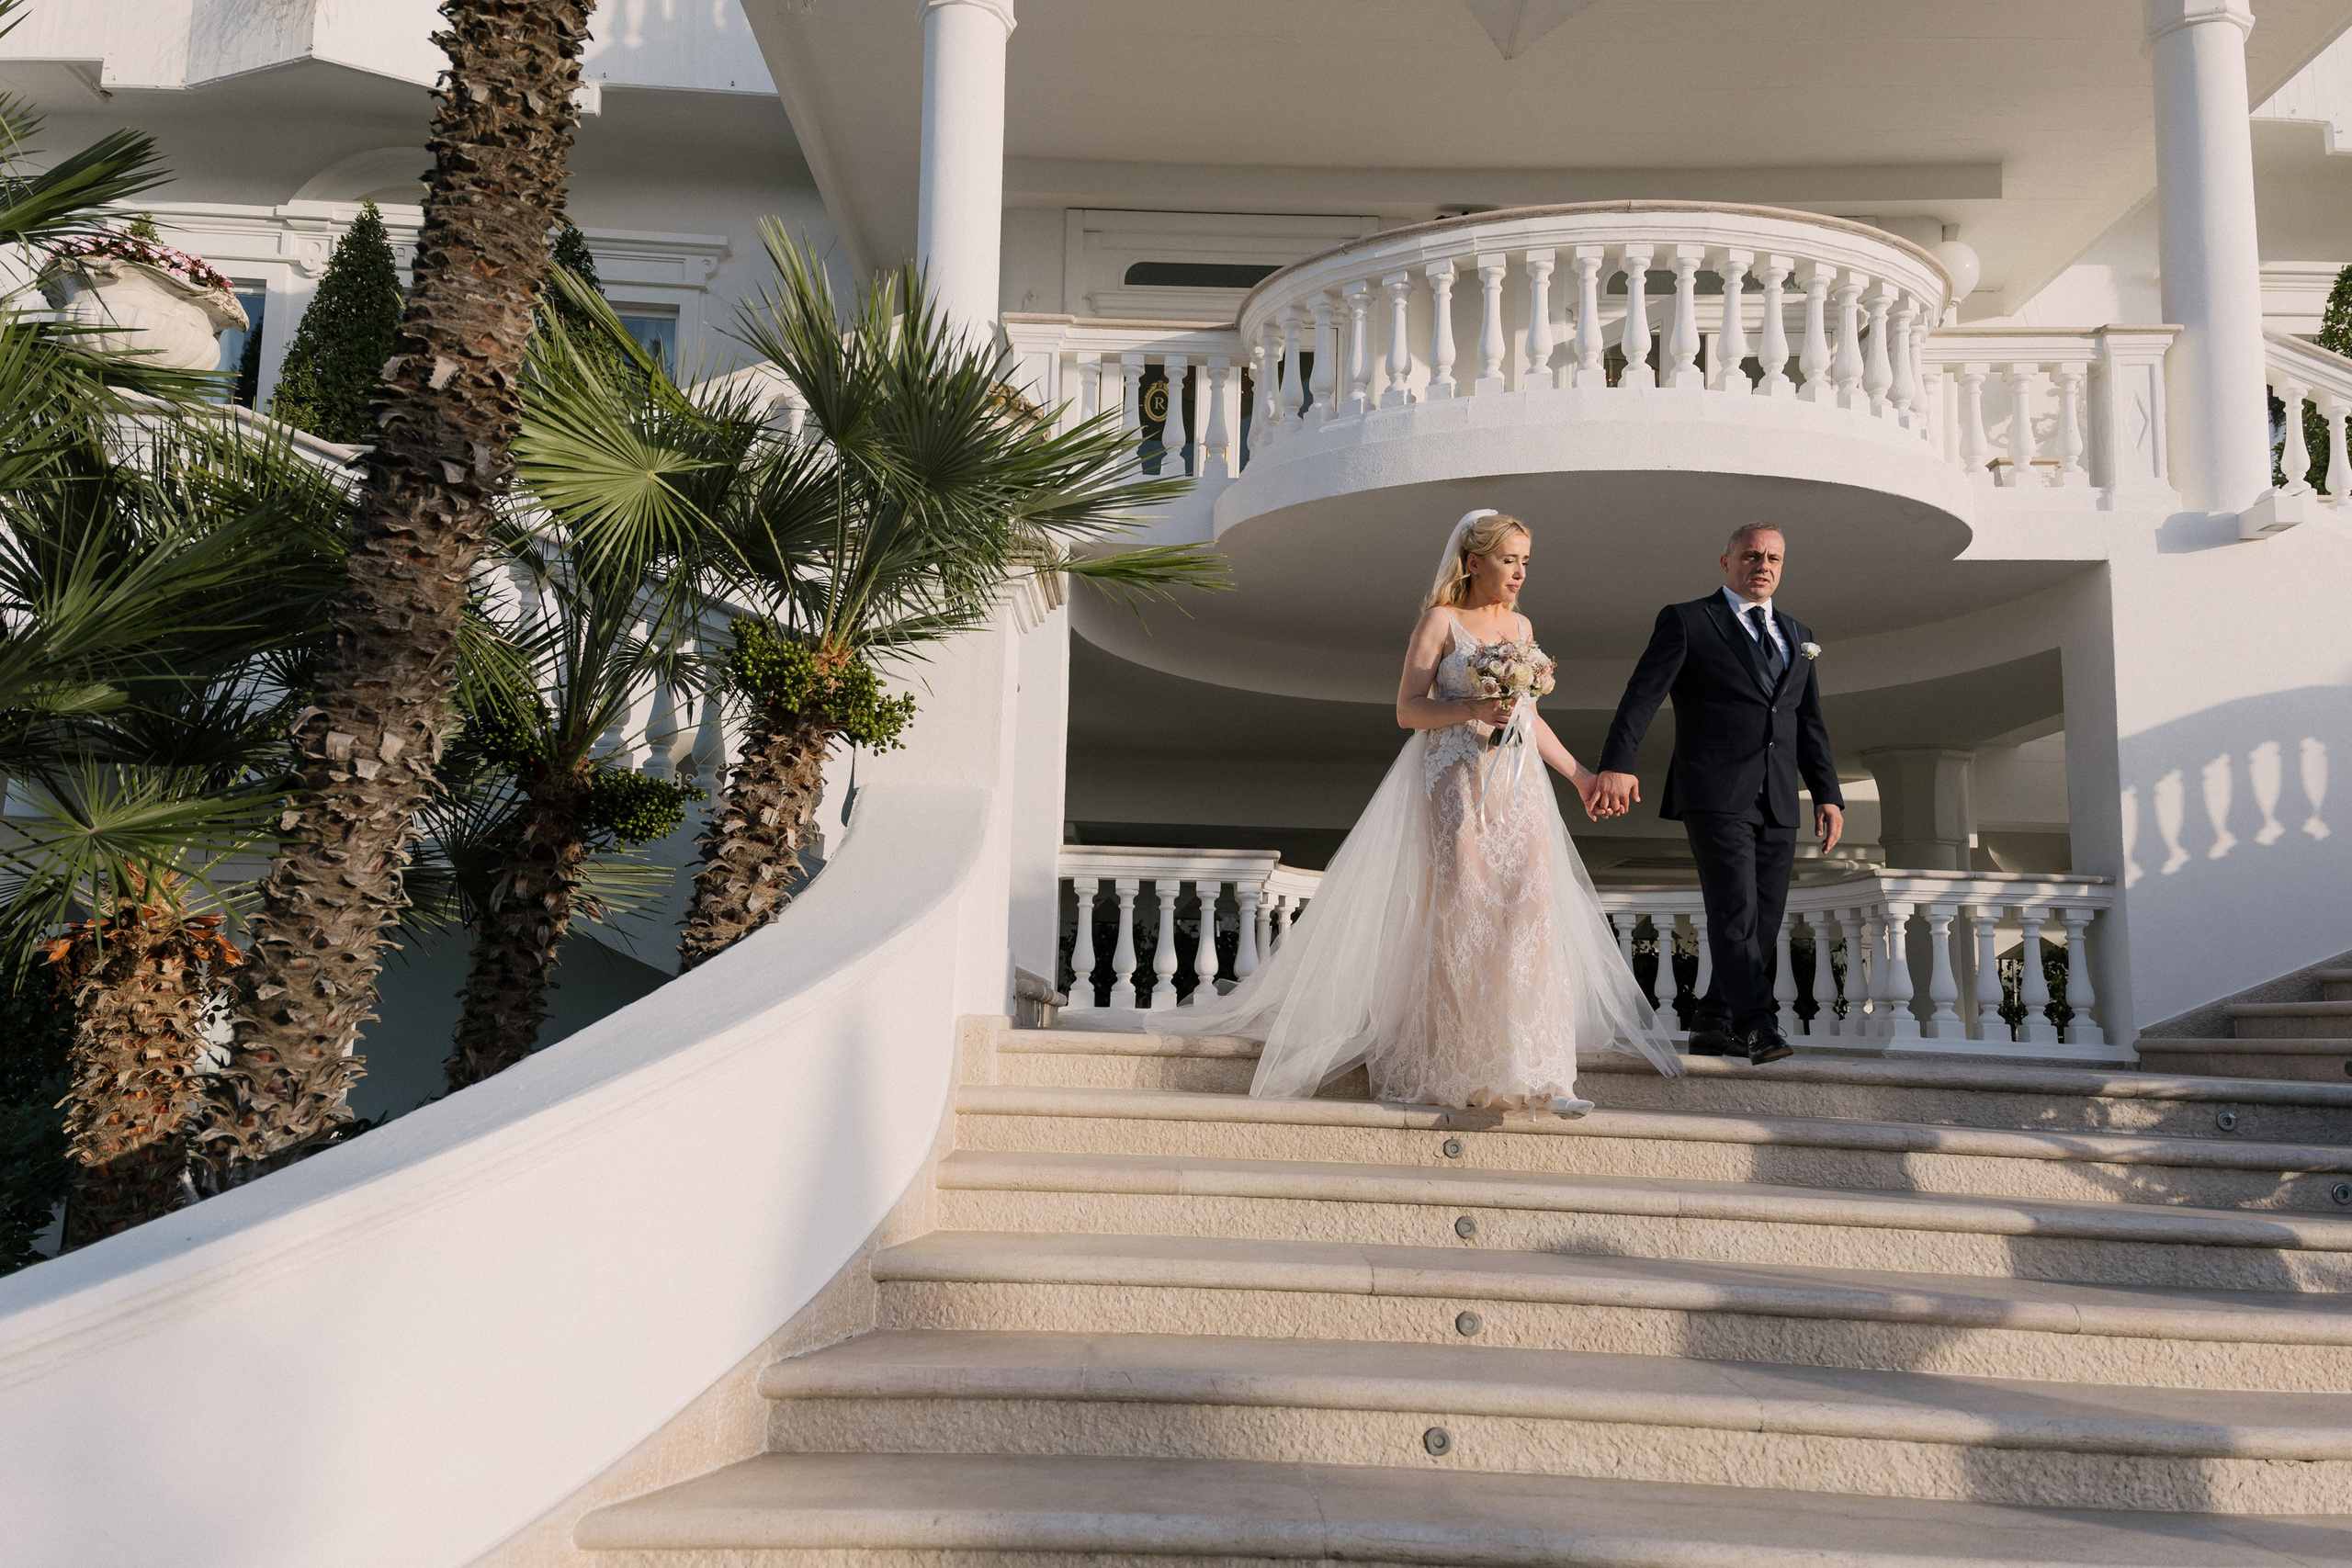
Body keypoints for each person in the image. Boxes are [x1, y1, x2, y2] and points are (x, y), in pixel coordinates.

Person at [1162, 508, 1681, 1112]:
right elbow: (1408, 710)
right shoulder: (1441, 621)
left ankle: (1544, 1074)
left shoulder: (1521, 623)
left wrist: (1582, 776)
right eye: (1508, 560)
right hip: (1455, 784)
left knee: (1531, 918)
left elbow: (1529, 716)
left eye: (1524, 562)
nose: (1518, 573)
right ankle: (1466, 1070)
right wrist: (1470, 711)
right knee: (1465, 918)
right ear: (1473, 561)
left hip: (1519, 790)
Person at [1592, 523, 1844, 1066]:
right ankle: (1758, 1024)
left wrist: (1828, 793)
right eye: (1751, 555)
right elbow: (1642, 696)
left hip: (1778, 796)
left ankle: (1711, 1021)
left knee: (1767, 917)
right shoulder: (1687, 620)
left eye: (1774, 557)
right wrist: (1617, 763)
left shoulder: (1798, 633)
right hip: (1713, 791)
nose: (1764, 565)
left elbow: (1807, 721)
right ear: (1725, 562)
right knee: (1735, 909)